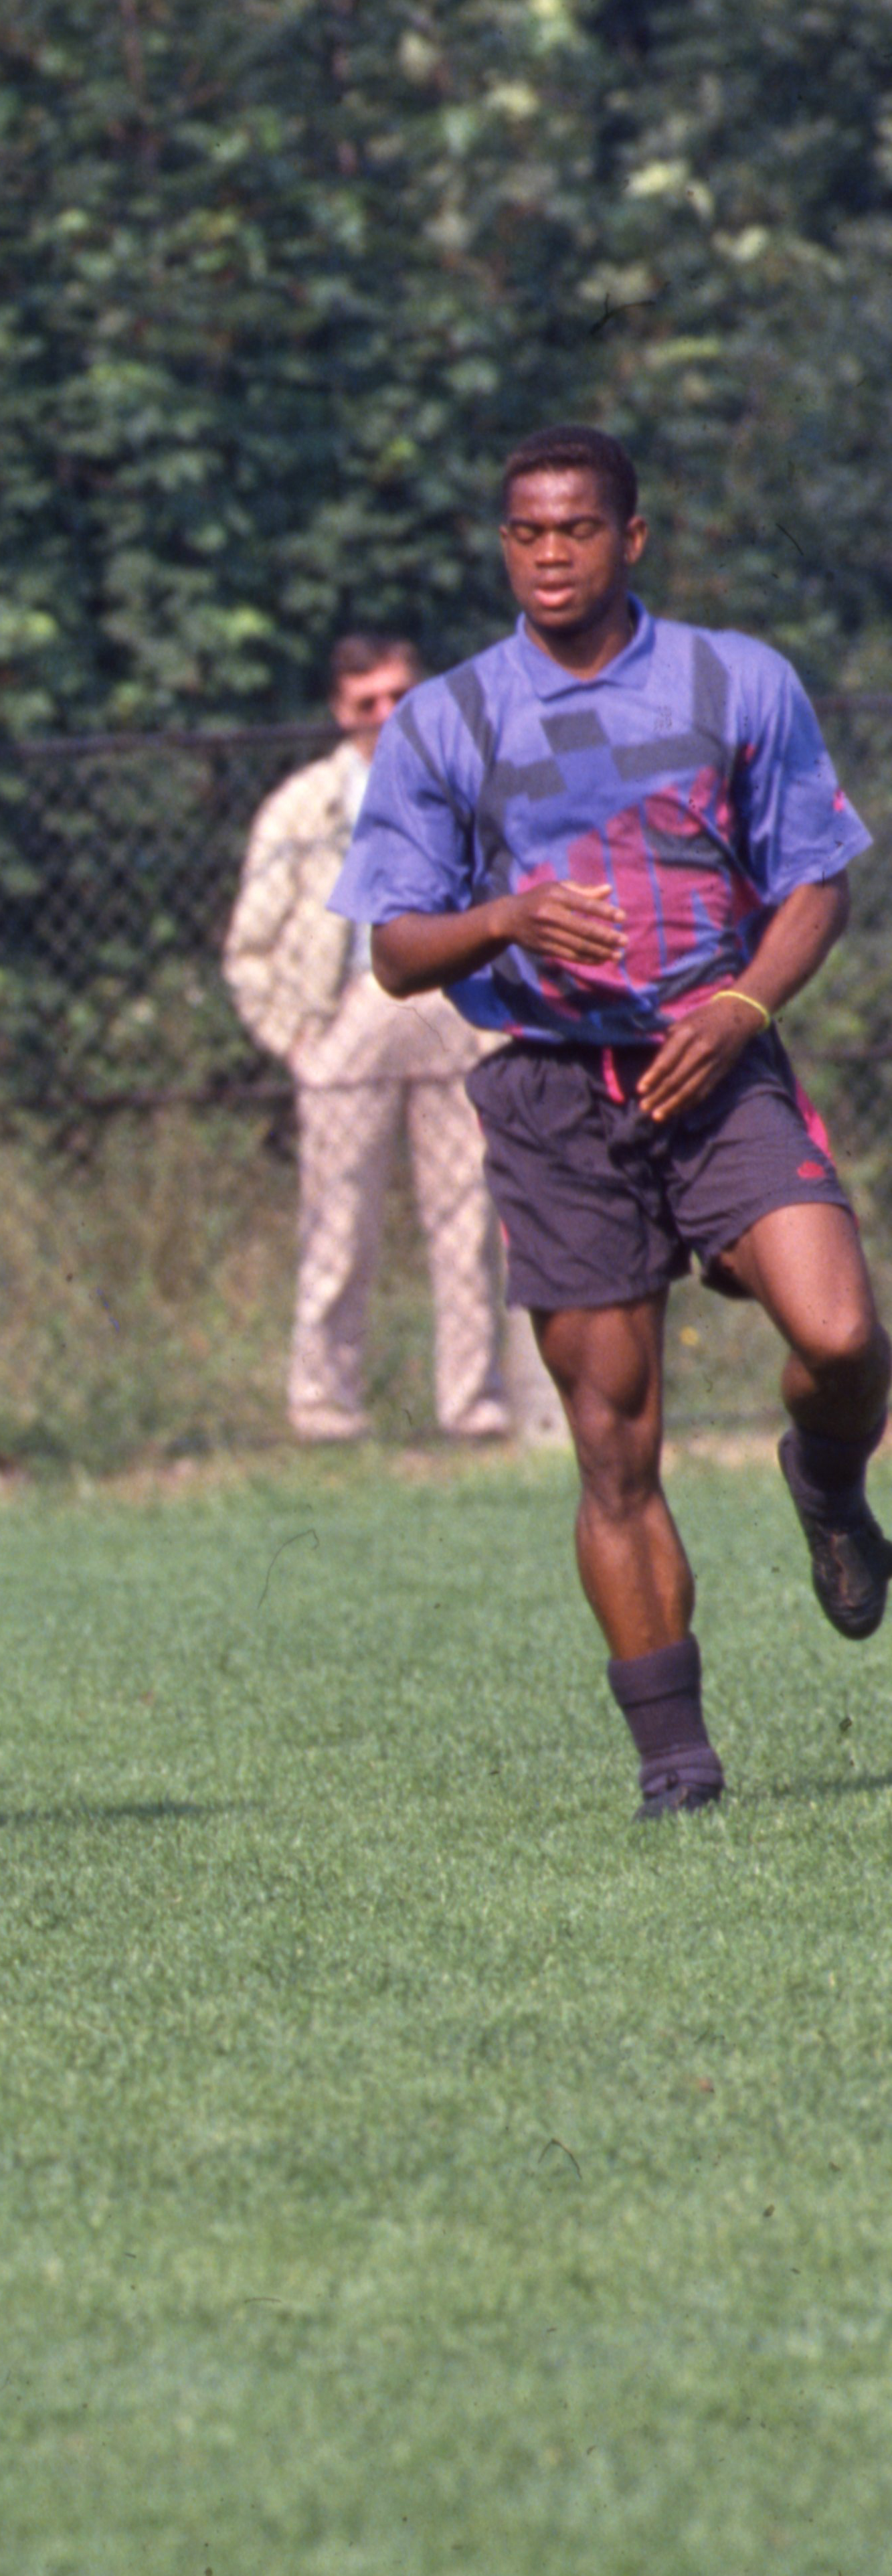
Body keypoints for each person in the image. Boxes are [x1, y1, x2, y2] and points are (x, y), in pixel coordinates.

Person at [336, 422, 891, 1818]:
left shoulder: (734, 680)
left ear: (629, 537)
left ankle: (826, 1484)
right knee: (613, 1438)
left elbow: (816, 879)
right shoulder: (447, 719)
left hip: (715, 1059)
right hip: (549, 1091)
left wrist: (746, 1009)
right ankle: (677, 1764)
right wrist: (505, 914)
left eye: (575, 529)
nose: (547, 555)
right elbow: (396, 950)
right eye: (523, 532)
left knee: (839, 1332)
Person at [226, 634, 516, 1445]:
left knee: (466, 1220)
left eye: (397, 697)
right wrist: (297, 1040)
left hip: (453, 1008)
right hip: (346, 1008)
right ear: (337, 710)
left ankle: (473, 1404)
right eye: (364, 703)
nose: (383, 717)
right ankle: (323, 1406)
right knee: (335, 1221)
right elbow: (248, 946)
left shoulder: (467, 786)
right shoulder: (303, 805)